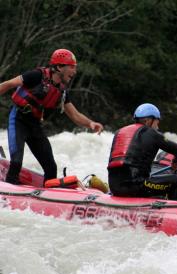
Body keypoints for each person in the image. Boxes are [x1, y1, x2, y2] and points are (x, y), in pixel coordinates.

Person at [0, 48, 103, 185]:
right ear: (59, 67)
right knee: (16, 162)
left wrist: (90, 124)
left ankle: (48, 197)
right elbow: (8, 84)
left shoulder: (62, 91)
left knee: (51, 167)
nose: (75, 72)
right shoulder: (36, 76)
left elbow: (75, 115)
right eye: (72, 67)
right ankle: (9, 191)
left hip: (35, 125)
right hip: (18, 119)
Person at [108, 103, 177, 200]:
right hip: (135, 187)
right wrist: (175, 162)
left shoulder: (119, 132)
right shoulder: (153, 134)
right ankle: (173, 212)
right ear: (148, 120)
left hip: (114, 187)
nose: (157, 127)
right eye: (157, 122)